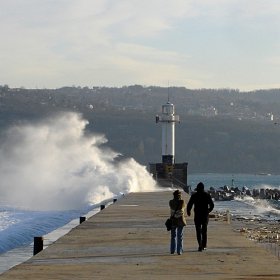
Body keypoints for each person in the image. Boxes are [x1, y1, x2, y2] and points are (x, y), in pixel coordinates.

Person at [187, 182, 214, 251]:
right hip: (205, 215)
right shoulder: (207, 195)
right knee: (204, 230)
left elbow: (189, 204)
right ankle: (204, 245)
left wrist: (188, 211)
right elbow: (212, 205)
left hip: (197, 215)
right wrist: (208, 211)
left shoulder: (194, 195)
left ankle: (200, 245)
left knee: (198, 230)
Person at [169, 190, 187, 255]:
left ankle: (172, 250)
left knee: (173, 236)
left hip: (173, 220)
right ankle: (179, 251)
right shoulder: (182, 202)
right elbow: (183, 208)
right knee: (180, 236)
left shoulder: (171, 202)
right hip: (180, 220)